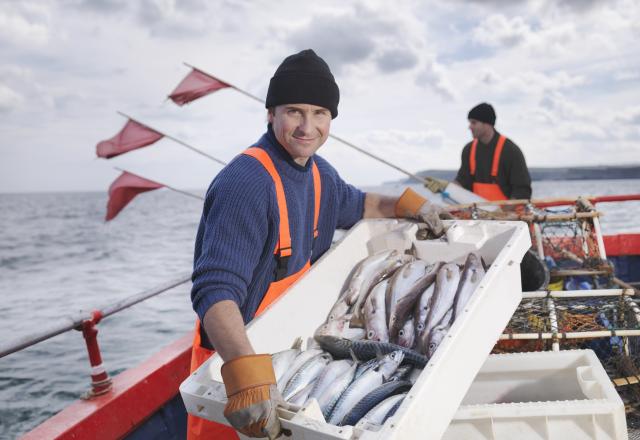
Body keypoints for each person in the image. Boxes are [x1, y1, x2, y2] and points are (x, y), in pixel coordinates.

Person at [188, 49, 446, 440]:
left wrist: (410, 204)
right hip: (233, 366)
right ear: (270, 113)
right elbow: (215, 291)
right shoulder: (246, 184)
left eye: (320, 113)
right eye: (294, 111)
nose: (308, 126)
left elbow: (360, 204)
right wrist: (245, 376)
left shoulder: (319, 174)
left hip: (293, 350)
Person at [426, 103, 532, 201]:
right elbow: (463, 183)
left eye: (474, 122)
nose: (469, 127)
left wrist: (504, 214)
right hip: (479, 215)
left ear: (487, 124)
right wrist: (444, 187)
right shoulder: (468, 149)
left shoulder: (511, 151)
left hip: (508, 218)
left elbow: (522, 191)